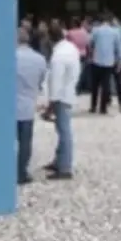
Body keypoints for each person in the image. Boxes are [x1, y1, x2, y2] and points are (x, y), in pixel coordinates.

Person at [44, 23, 81, 180]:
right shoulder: (71, 48)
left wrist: (50, 104)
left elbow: (56, 82)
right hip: (69, 92)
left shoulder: (58, 57)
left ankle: (64, 167)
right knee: (62, 130)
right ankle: (58, 160)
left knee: (64, 131)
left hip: (61, 97)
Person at [14, 27, 48, 185]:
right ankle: (21, 172)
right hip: (28, 104)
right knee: (25, 141)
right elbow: (42, 81)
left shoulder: (9, 57)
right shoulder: (40, 59)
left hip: (9, 105)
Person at [88, 13, 120, 114]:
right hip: (109, 62)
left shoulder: (95, 30)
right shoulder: (115, 32)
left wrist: (92, 54)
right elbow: (117, 48)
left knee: (95, 85)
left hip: (97, 61)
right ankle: (103, 108)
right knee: (106, 85)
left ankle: (93, 106)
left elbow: (90, 43)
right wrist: (118, 62)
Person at [66, 16, 91, 94]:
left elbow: (67, 44)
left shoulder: (70, 33)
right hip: (83, 54)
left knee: (74, 72)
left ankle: (75, 89)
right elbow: (87, 45)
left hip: (73, 55)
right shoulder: (84, 32)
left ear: (73, 24)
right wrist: (89, 53)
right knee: (82, 72)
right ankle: (80, 88)